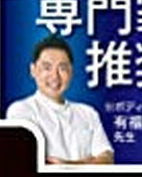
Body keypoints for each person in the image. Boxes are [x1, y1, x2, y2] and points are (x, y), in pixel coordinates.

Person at [6, 35, 114, 165]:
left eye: (62, 68)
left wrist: (69, 165)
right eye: (47, 68)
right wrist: (89, 162)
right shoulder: (21, 110)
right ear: (33, 70)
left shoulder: (88, 113)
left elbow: (107, 158)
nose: (55, 76)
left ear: (71, 72)